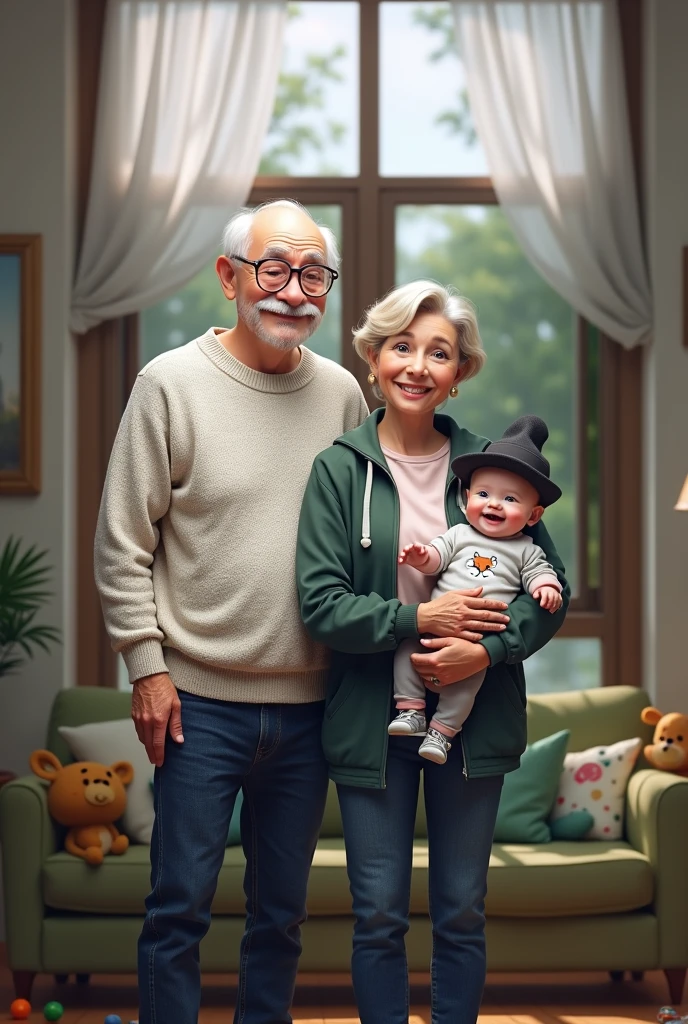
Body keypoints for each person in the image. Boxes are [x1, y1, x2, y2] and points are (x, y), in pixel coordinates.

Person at [94, 199, 368, 1024]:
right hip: (195, 705)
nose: (294, 290)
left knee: (280, 917)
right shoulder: (170, 385)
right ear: (229, 277)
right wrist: (148, 670)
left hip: (313, 707)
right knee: (177, 908)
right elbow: (121, 544)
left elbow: (366, 537)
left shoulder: (344, 394)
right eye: (274, 268)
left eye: (313, 272)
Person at [296, 280, 570, 1024]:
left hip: (472, 724)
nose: (417, 366)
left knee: (460, 912)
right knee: (379, 915)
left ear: (461, 370)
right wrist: (421, 622)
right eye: (402, 347)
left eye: (439, 353)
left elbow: (551, 593)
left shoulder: (495, 467)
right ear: (375, 357)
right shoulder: (338, 470)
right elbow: (321, 605)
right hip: (368, 719)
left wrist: (484, 654)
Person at [390, 414, 563, 764]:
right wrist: (421, 556)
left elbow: (540, 573)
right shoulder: (459, 535)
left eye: (511, 499)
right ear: (467, 497)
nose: (494, 504)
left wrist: (547, 588)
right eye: (483, 494)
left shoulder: (527, 549)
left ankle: (442, 732)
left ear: (533, 516)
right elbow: (436, 559)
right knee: (406, 652)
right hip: (434, 628)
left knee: (468, 684)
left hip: (478, 643)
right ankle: (411, 710)